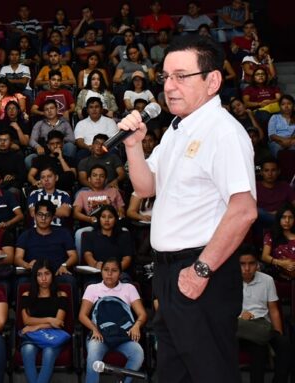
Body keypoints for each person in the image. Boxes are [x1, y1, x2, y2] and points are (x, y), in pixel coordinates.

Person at [118, 34, 257, 382]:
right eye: (166, 77)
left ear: (213, 80)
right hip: (170, 274)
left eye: (182, 76)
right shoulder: (177, 129)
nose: (170, 85)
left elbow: (244, 210)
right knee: (173, 373)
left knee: (211, 372)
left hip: (200, 272)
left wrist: (201, 271)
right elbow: (146, 187)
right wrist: (133, 146)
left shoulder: (222, 132)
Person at [79, 258, 146, 383]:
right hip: (100, 335)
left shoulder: (129, 288)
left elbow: (142, 314)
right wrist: (95, 329)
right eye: (106, 270)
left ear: (120, 273)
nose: (109, 274)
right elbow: (82, 315)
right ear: (101, 272)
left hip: (123, 336)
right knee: (93, 352)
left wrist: (136, 326)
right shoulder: (92, 288)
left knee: (138, 353)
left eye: (114, 271)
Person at [237, 246, 293, 383]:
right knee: (259, 347)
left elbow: (273, 309)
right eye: (242, 264)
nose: (247, 268)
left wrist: (278, 332)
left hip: (263, 325)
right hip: (241, 328)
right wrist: (239, 315)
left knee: (284, 344)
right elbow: (223, 311)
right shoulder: (230, 282)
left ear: (257, 264)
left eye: (251, 263)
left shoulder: (267, 280)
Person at [20, 259, 69, 383]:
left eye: (47, 273)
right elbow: (26, 320)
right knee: (27, 350)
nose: (43, 278)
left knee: (48, 352)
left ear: (53, 275)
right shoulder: (27, 295)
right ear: (35, 277)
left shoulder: (61, 295)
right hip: (32, 336)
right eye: (39, 274)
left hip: (53, 336)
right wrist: (49, 320)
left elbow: (58, 322)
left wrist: (36, 326)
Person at [15, 200, 78, 291]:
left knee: (70, 281)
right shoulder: (26, 234)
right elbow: (17, 258)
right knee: (21, 282)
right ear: (35, 216)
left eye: (47, 215)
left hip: (56, 273)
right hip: (34, 274)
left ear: (53, 218)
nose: (43, 218)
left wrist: (64, 265)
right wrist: (27, 265)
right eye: (40, 214)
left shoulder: (63, 233)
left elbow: (74, 256)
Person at [82, 205, 133, 281]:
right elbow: (87, 255)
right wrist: (95, 264)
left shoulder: (124, 235)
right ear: (99, 219)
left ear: (115, 219)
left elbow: (127, 258)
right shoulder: (89, 235)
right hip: (97, 272)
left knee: (125, 281)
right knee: (91, 284)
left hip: (119, 273)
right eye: (103, 217)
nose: (106, 220)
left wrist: (115, 270)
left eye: (110, 217)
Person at [261, 205, 295, 280]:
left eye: (290, 217)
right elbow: (264, 256)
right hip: (278, 275)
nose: (287, 220)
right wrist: (281, 263)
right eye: (283, 217)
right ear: (279, 219)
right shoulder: (271, 235)